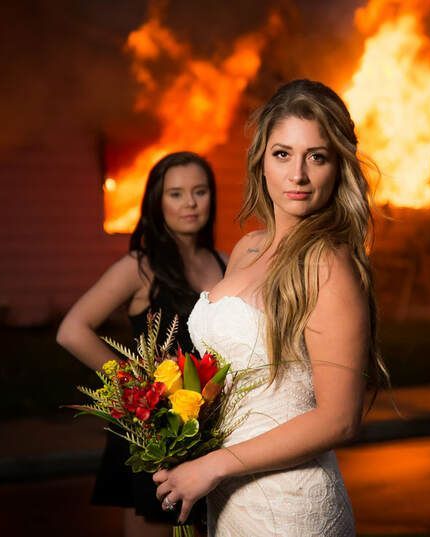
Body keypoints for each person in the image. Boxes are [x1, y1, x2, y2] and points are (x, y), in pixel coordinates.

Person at [151, 79, 389, 535]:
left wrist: (213, 466)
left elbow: (339, 420)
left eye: (316, 157)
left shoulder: (327, 263)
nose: (297, 175)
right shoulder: (247, 249)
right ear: (261, 160)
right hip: (227, 500)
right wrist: (174, 415)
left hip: (290, 508)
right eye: (283, 154)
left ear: (338, 166)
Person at [57, 151, 226, 537]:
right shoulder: (140, 267)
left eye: (200, 192)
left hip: (205, 429)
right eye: (176, 194)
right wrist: (136, 388)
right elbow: (72, 330)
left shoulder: (225, 262)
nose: (190, 203)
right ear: (157, 202)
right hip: (154, 431)